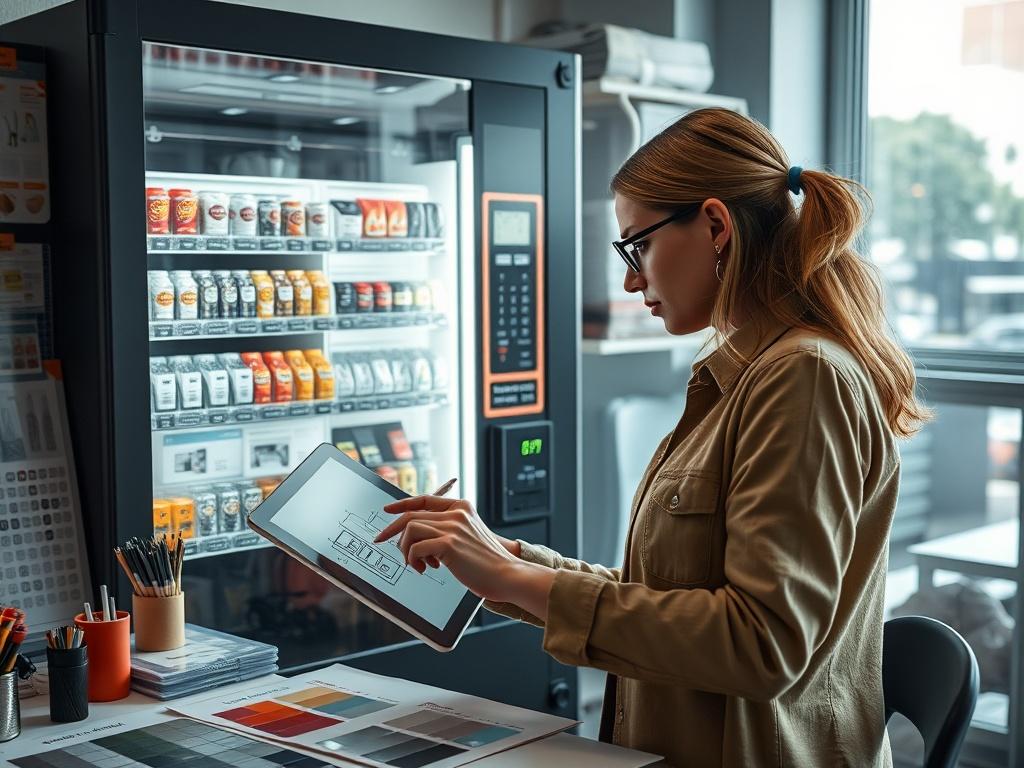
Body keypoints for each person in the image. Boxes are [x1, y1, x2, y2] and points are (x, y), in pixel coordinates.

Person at [375, 107, 930, 767]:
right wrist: (511, 562)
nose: (632, 279)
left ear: (716, 226)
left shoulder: (802, 376)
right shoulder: (747, 375)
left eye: (638, 245)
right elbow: (676, 597)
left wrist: (514, 578)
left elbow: (763, 644)